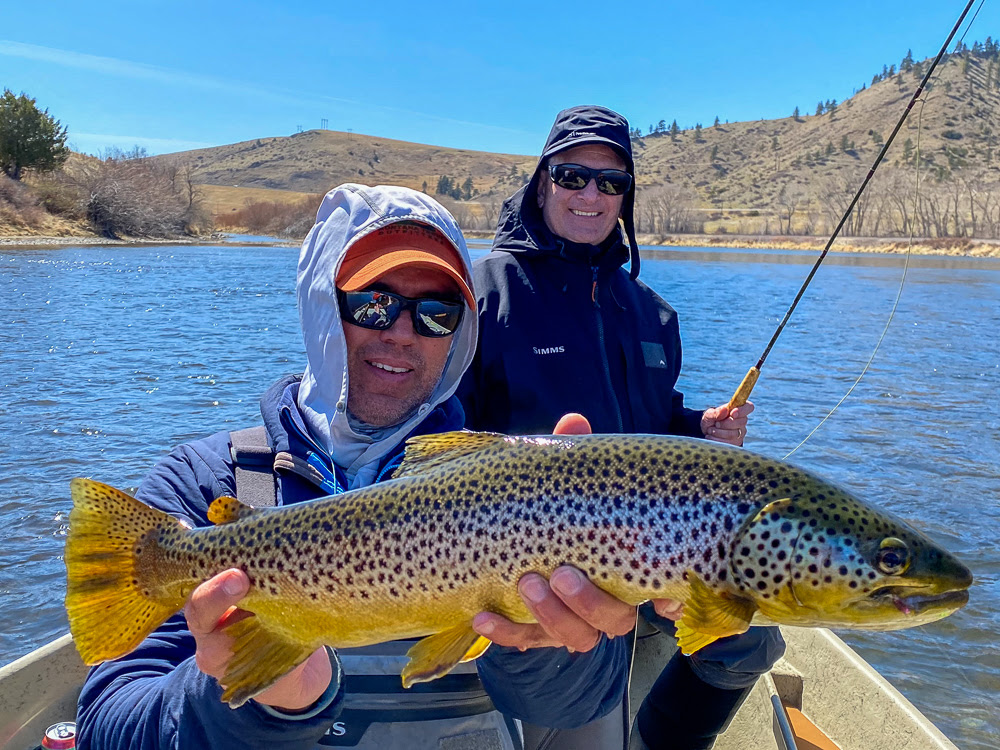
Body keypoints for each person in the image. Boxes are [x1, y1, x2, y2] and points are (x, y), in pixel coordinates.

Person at [76, 184, 623, 750]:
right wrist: (254, 693)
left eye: (437, 314)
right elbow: (105, 728)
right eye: (373, 302)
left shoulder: (521, 490)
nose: (402, 332)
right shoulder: (202, 482)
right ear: (320, 303)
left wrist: (540, 640)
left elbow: (576, 707)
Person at [457, 106, 785, 750]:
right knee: (587, 688)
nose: (591, 195)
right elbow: (447, 434)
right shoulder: (484, 293)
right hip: (533, 560)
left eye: (611, 183)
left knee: (751, 641)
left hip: (656, 551)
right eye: (574, 175)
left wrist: (701, 428)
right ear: (543, 181)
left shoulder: (652, 313)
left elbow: (655, 423)